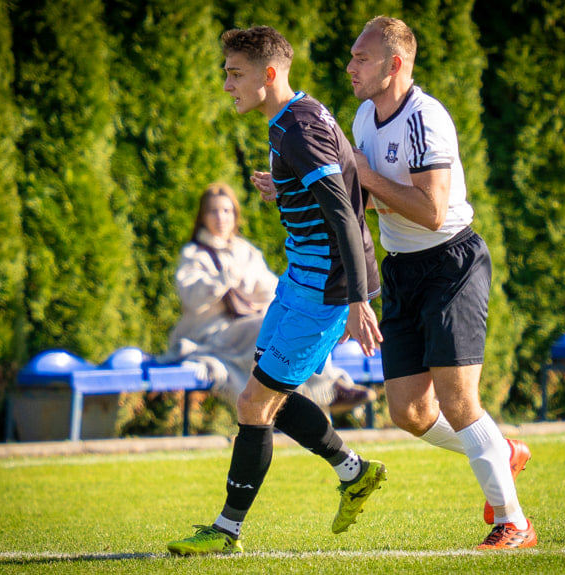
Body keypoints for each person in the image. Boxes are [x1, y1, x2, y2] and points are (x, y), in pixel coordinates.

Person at [167, 26, 385, 556]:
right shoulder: (293, 119)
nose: (226, 85)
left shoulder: (298, 130)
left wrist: (357, 300)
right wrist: (282, 185)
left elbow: (343, 212)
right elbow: (345, 176)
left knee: (253, 402)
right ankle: (353, 473)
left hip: (325, 293)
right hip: (298, 284)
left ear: (268, 75)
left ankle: (225, 530)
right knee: (269, 398)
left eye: (234, 74)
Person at [346, 16, 537, 549]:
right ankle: (500, 449)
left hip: (450, 262)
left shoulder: (427, 119)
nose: (351, 67)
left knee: (458, 400)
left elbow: (432, 211)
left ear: (395, 64)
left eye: (362, 59)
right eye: (353, 57)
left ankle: (514, 522)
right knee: (408, 411)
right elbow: (363, 196)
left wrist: (365, 177)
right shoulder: (364, 116)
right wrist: (293, 191)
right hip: (402, 267)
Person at [159, 182, 377, 414]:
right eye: (213, 211)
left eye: (226, 210)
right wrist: (224, 279)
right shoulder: (194, 254)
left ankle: (323, 389)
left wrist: (245, 281)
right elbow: (192, 298)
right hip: (212, 334)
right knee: (268, 331)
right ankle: (326, 391)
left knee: (297, 325)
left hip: (251, 324)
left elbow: (272, 288)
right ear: (202, 216)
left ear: (235, 215)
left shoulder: (244, 250)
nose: (221, 217)